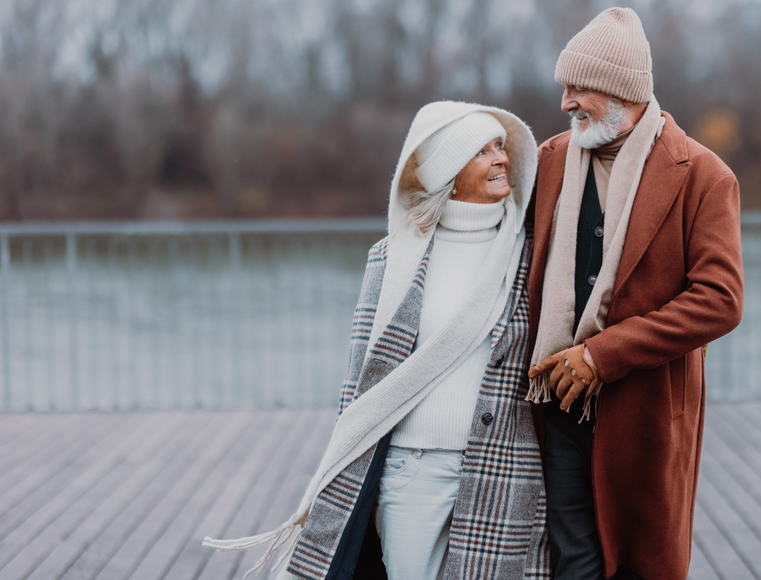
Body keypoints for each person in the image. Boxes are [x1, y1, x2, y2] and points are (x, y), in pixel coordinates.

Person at [205, 102, 549, 580]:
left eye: (500, 147)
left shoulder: (531, 256)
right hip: (412, 472)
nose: (501, 159)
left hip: (503, 465)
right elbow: (361, 378)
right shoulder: (391, 259)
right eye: (483, 152)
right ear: (450, 171)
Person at [526, 7, 744, 580]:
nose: (566, 102)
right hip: (559, 405)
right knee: (572, 565)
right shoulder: (548, 162)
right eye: (564, 87)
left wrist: (603, 354)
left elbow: (721, 298)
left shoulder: (704, 175)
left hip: (648, 412)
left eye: (579, 88)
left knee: (646, 568)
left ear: (621, 88)